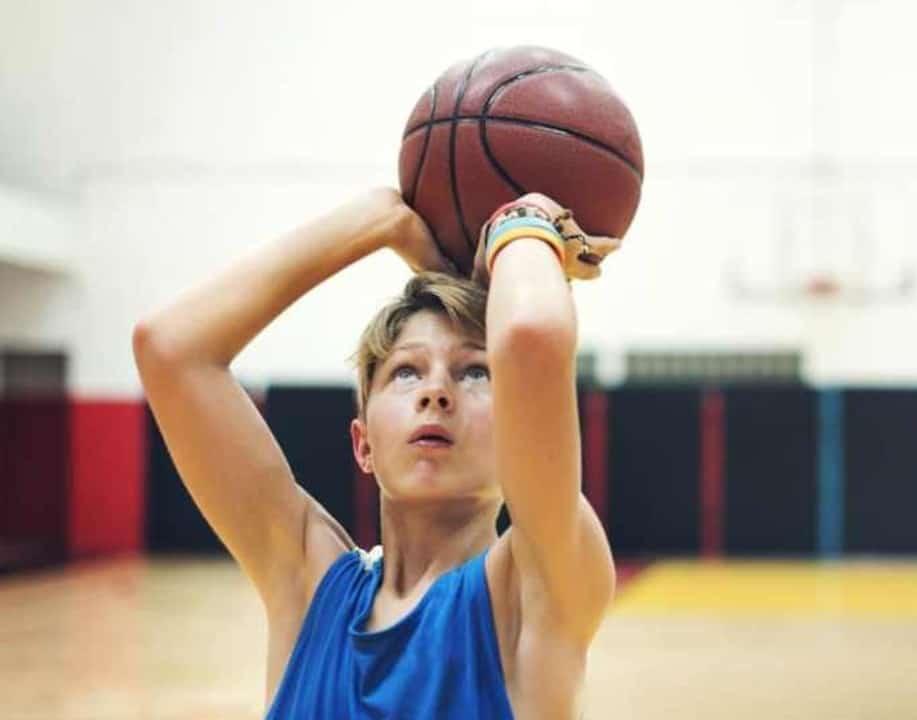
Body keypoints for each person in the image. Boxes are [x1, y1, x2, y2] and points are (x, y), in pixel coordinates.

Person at [132, 188, 620, 718]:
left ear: (516, 437)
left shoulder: (533, 590)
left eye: (475, 371)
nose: (437, 392)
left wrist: (523, 219)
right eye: (407, 371)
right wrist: (384, 218)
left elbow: (532, 335)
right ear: (363, 443)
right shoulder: (309, 586)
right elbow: (170, 348)